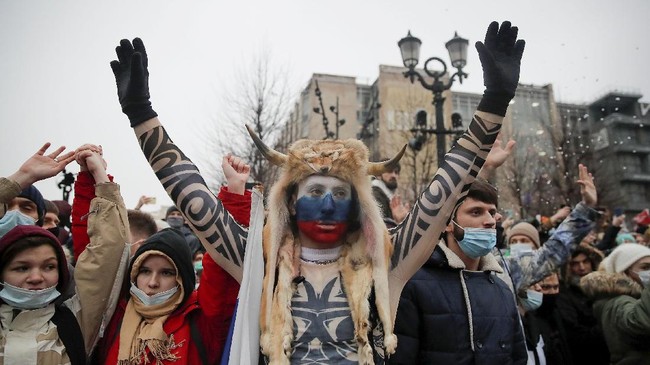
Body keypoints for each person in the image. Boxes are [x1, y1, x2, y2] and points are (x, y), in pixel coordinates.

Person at [110, 20, 525, 364]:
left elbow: (446, 186)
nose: (328, 204)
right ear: (290, 201)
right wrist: (142, 114)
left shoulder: (385, 256)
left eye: (341, 194)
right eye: (315, 190)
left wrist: (495, 100)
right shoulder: (262, 258)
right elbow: (192, 197)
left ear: (357, 205)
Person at [0, 143, 128, 364]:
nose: (36, 277)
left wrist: (100, 178)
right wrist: (22, 177)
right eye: (22, 267)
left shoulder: (75, 321)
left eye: (49, 266)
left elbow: (109, 249)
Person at [580, 243, 650, 364]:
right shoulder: (617, 302)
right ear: (625, 272)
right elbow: (642, 322)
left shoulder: (640, 296)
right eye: (645, 267)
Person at [371, 159, 408, 227]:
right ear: (379, 175)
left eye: (396, 172)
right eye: (389, 171)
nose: (394, 175)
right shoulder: (375, 195)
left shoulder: (388, 195)